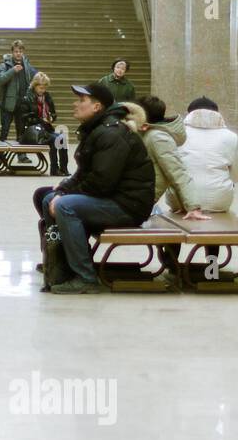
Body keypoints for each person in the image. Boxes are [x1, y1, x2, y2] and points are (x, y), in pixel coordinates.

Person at [35, 82, 154, 295]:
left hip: (128, 206)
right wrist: (63, 188)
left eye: (82, 100)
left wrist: (64, 196)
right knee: (48, 198)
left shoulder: (111, 133)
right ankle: (60, 267)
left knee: (64, 206)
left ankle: (85, 277)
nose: (75, 104)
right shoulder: (97, 130)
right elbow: (84, 173)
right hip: (113, 198)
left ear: (97, 107)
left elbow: (101, 182)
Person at [122, 95, 204, 216]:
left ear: (143, 116)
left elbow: (177, 172)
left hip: (138, 200)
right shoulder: (146, 133)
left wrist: (193, 207)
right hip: (133, 196)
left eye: (134, 113)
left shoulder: (158, 137)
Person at [172, 98, 238, 215]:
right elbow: (237, 176)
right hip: (219, 201)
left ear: (189, 114)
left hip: (180, 200)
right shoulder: (231, 137)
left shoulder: (177, 135)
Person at [18, 72, 68, 175]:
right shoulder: (27, 98)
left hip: (46, 129)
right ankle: (54, 169)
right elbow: (24, 118)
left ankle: (64, 168)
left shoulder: (47, 97)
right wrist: (41, 120)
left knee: (62, 138)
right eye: (40, 88)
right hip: (32, 132)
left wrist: (51, 117)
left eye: (45, 88)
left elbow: (54, 113)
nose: (43, 90)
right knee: (54, 139)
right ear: (34, 86)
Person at [0, 40, 36, 143]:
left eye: (21, 51)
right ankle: (1, 156)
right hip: (7, 104)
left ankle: (22, 155)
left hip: (22, 104)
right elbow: (0, 80)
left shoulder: (27, 66)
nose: (18, 54)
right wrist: (13, 70)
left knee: (22, 131)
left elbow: (35, 77)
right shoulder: (5, 65)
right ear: (12, 52)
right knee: (4, 131)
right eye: (16, 51)